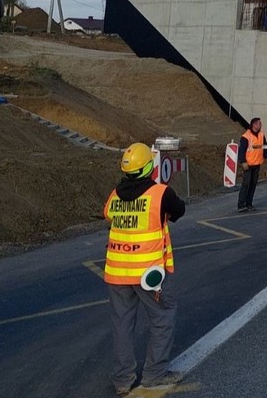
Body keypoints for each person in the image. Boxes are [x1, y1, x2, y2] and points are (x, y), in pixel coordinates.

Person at [104, 142, 186, 396]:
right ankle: (154, 375)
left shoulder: (115, 195)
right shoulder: (161, 193)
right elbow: (179, 210)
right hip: (149, 275)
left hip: (117, 272)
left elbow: (107, 214)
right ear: (151, 167)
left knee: (122, 325)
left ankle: (122, 379)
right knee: (162, 319)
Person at [237, 117, 267, 213]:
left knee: (253, 184)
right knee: (246, 184)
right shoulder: (246, 136)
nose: (260, 125)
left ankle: (249, 204)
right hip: (248, 164)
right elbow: (241, 150)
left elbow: (264, 146)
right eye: (259, 123)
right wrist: (243, 162)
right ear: (254, 125)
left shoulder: (261, 135)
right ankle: (241, 205)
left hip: (257, 163)